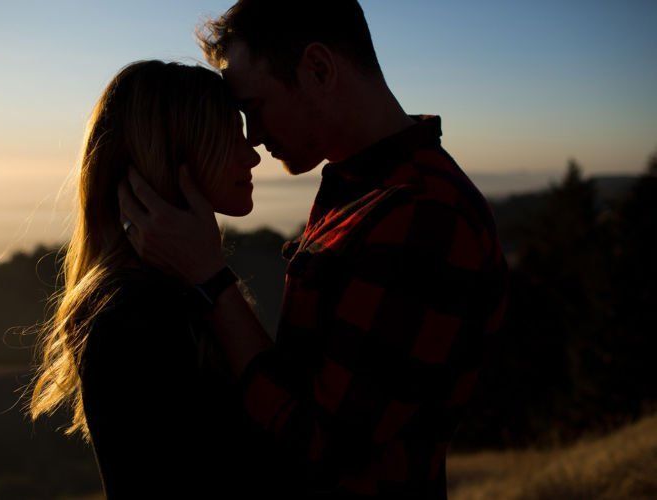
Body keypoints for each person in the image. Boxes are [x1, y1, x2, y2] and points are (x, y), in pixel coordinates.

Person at [118, 0, 509, 497]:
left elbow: (323, 447)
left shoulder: (423, 215)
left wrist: (211, 278)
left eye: (254, 109)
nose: (253, 138)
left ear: (319, 69)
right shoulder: (361, 189)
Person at [26, 60, 283, 497]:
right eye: (228, 135)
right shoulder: (135, 312)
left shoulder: (171, 289)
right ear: (171, 152)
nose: (252, 153)